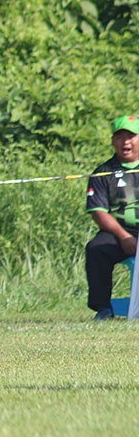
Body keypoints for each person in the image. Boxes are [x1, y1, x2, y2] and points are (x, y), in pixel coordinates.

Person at [86, 115, 139, 320]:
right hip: (119, 232)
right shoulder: (103, 172)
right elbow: (98, 211)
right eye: (120, 136)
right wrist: (124, 237)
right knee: (96, 249)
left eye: (131, 136)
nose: (125, 141)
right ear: (112, 141)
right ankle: (103, 309)